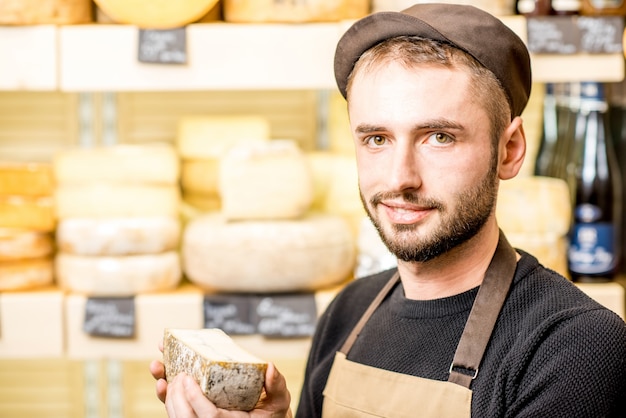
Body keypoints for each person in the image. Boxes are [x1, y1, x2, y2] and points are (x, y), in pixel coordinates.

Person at [150, 3, 626, 417]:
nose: (400, 178)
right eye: (377, 139)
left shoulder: (576, 346)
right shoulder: (348, 313)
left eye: (439, 137)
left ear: (510, 149)